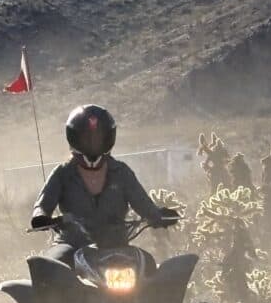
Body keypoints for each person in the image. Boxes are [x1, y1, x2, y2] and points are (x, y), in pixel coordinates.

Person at [31, 105, 173, 265]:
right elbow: (42, 205)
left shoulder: (122, 172)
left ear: (109, 138)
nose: (93, 142)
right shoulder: (63, 173)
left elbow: (143, 204)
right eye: (86, 138)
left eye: (99, 137)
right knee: (50, 266)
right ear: (74, 138)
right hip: (72, 245)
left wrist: (159, 216)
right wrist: (40, 217)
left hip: (117, 245)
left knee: (148, 264)